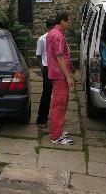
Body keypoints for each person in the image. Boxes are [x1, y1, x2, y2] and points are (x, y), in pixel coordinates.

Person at [46, 11, 74, 145]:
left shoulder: (52, 33)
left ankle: (57, 131)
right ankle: (56, 136)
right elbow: (59, 56)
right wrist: (68, 76)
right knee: (59, 104)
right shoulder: (57, 35)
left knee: (59, 103)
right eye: (68, 21)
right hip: (60, 75)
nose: (69, 24)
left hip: (55, 73)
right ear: (62, 21)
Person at [36, 18, 56, 128]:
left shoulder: (59, 37)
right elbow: (38, 55)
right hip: (48, 67)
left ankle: (54, 118)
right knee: (47, 94)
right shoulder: (42, 39)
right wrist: (43, 69)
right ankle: (41, 119)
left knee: (56, 95)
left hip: (56, 68)